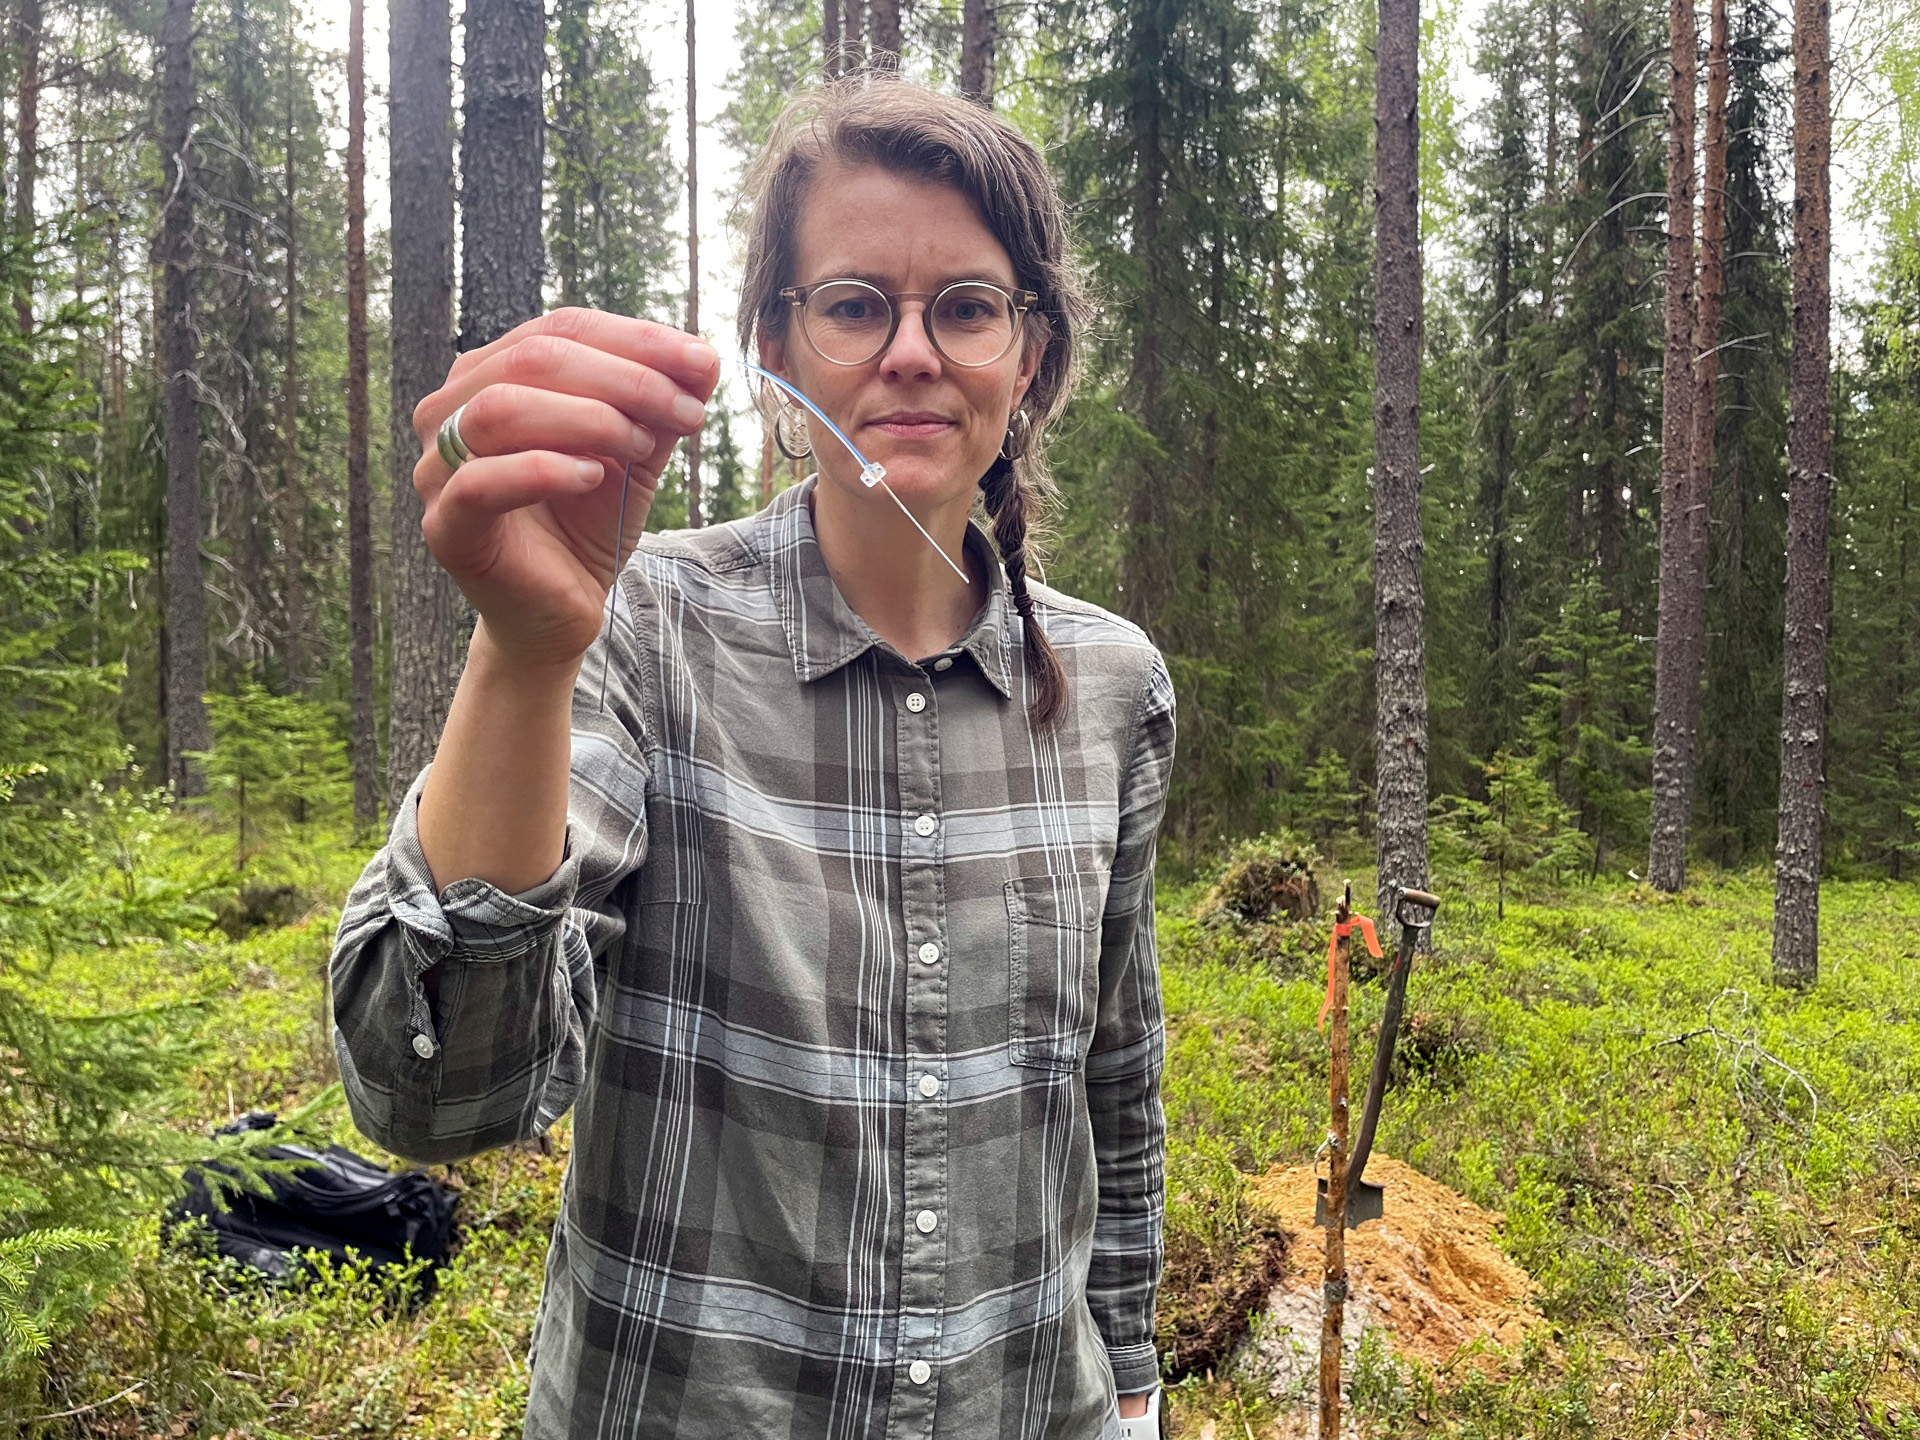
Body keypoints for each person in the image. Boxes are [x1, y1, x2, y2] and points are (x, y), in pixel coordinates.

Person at [329, 76, 1176, 1440]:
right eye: (853, 305)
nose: (910, 351)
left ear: (1030, 356)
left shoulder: (1112, 690)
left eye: (965, 305)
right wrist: (528, 653)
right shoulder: (642, 631)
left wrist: (1130, 1379)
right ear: (779, 353)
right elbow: (438, 1092)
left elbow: (1114, 1074)